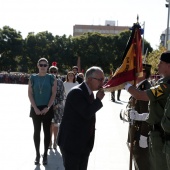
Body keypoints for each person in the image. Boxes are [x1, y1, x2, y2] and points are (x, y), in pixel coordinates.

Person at [124, 51, 170, 170]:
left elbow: (141, 95)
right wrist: (142, 116)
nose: (158, 65)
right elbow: (157, 110)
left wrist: (125, 84)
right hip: (156, 133)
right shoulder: (162, 83)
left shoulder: (166, 86)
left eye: (161, 63)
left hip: (161, 135)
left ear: (169, 65)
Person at [57, 66, 105, 170]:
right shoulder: (77, 92)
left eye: (103, 79)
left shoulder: (88, 92)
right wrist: (98, 100)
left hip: (83, 144)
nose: (102, 83)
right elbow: (86, 113)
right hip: (72, 144)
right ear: (89, 79)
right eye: (100, 79)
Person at [28, 58, 57, 165]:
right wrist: (34, 107)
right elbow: (30, 93)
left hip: (47, 108)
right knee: (36, 131)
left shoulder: (51, 77)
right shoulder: (32, 77)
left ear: (48, 66)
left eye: (45, 65)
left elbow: (53, 94)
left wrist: (48, 107)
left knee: (46, 131)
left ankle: (45, 154)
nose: (43, 67)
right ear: (38, 65)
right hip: (35, 107)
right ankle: (37, 154)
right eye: (41, 65)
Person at [127, 64, 153, 170]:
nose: (134, 74)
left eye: (137, 71)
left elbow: (147, 114)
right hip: (135, 132)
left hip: (140, 135)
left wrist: (143, 135)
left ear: (144, 73)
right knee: (137, 163)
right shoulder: (139, 87)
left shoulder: (145, 89)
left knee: (142, 164)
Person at [49, 65, 65, 150]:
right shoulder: (46, 80)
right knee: (49, 125)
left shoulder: (60, 82)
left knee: (55, 125)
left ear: (57, 73)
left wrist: (57, 105)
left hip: (57, 107)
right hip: (48, 106)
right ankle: (49, 141)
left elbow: (62, 95)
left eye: (54, 72)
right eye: (51, 71)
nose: (53, 73)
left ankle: (55, 140)